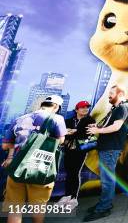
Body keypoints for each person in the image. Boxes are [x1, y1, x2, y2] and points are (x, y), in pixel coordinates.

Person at [2, 95, 67, 223]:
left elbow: (5, 144)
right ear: (55, 106)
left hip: (16, 168)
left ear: (42, 104)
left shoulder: (20, 118)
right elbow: (60, 141)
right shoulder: (57, 118)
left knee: (15, 208)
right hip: (40, 168)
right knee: (38, 207)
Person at [83, 85, 128, 222]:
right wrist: (97, 127)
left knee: (107, 180)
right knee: (106, 179)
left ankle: (103, 208)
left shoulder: (124, 107)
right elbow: (109, 125)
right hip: (107, 148)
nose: (108, 96)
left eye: (111, 93)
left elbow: (116, 127)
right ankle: (104, 204)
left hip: (110, 149)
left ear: (120, 93)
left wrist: (97, 131)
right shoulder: (116, 108)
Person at [57, 101, 95, 208]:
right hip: (68, 150)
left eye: (87, 107)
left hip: (80, 150)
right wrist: (71, 132)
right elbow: (62, 133)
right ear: (76, 109)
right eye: (82, 107)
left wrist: (74, 131)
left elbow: (88, 133)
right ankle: (67, 195)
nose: (85, 109)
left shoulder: (90, 120)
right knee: (69, 172)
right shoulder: (68, 120)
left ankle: (74, 197)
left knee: (75, 172)